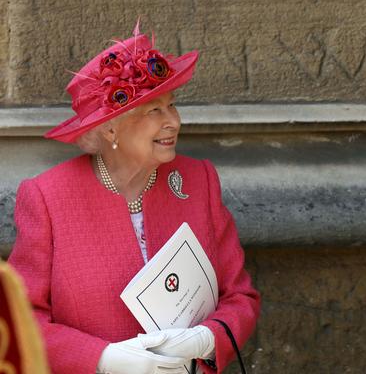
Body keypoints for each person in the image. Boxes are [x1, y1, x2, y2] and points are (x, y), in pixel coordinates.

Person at [8, 23, 261, 373]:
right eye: (154, 111)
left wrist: (206, 338)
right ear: (111, 128)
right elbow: (21, 323)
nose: (173, 121)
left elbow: (239, 297)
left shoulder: (198, 180)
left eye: (172, 106)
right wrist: (102, 360)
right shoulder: (48, 198)